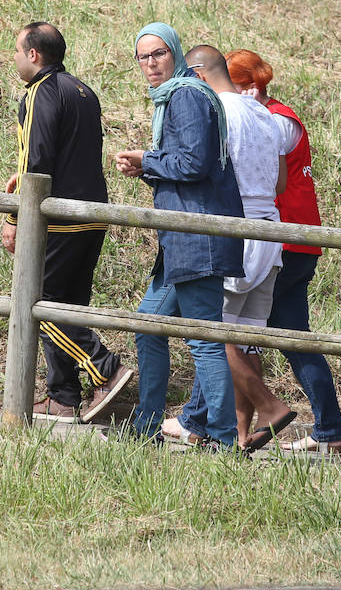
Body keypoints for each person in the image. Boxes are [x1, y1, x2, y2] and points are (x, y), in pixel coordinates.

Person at [159, 45, 296, 451]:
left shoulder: (214, 110)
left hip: (236, 227)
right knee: (243, 335)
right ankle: (231, 431)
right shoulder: (262, 112)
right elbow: (281, 184)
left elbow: (204, 167)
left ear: (198, 75)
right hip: (271, 228)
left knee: (212, 329)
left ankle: (268, 406)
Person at [113, 24, 244, 448]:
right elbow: (188, 168)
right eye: (143, 57)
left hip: (197, 238)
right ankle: (146, 427)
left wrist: (148, 160)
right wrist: (147, 167)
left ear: (176, 53)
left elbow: (193, 164)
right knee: (148, 326)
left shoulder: (186, 95)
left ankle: (225, 442)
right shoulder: (176, 95)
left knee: (204, 341)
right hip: (182, 240)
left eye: (159, 54)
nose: (151, 64)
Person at [2, 22, 131, 424]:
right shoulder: (83, 91)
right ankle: (63, 396)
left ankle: (105, 369)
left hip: (57, 216)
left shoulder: (40, 93)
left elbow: (36, 161)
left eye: (18, 51)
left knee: (39, 304)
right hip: (92, 214)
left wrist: (14, 216)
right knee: (68, 303)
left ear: (34, 54)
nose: (16, 59)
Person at [225, 48, 341, 454]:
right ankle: (329, 429)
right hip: (295, 239)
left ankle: (203, 419)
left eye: (232, 85)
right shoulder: (280, 116)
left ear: (249, 86)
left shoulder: (271, 120)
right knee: (291, 337)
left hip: (282, 240)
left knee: (225, 328)